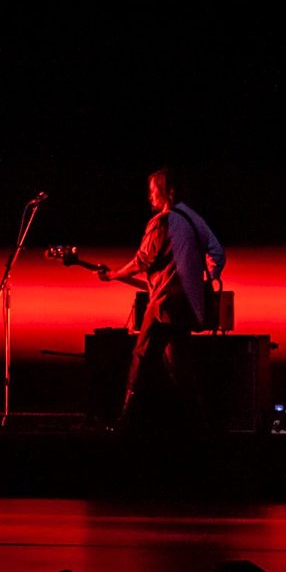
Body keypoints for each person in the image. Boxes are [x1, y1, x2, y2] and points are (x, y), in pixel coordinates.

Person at [98, 168, 226, 432]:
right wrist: (206, 278)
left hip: (163, 304)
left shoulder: (161, 222)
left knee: (141, 357)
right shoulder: (193, 220)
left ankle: (126, 420)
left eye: (153, 190)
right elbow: (217, 253)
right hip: (187, 304)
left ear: (167, 192)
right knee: (178, 364)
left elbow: (143, 260)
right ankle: (200, 424)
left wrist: (113, 275)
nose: (150, 196)